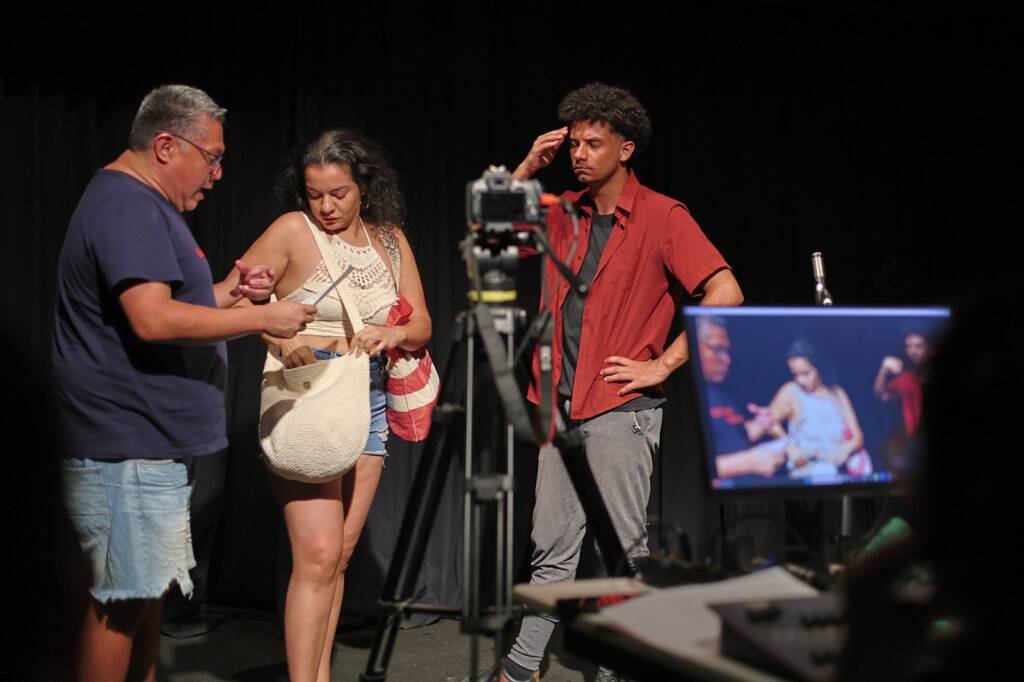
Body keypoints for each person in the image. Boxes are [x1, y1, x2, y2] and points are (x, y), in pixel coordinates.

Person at [52, 84, 315, 682]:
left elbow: (173, 304)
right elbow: (153, 319)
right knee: (118, 606)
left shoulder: (140, 206)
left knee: (140, 601)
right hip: (126, 444)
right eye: (212, 156)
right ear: (166, 145)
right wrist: (262, 317)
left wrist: (230, 293)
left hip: (145, 445)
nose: (218, 174)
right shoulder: (129, 206)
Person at [500, 82, 743, 682]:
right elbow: (494, 240)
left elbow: (726, 293)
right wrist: (528, 167)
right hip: (561, 404)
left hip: (619, 407)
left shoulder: (663, 216)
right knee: (550, 544)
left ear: (625, 149)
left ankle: (618, 670)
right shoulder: (563, 213)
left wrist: (661, 365)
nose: (579, 153)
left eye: (593, 143)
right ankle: (524, 664)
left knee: (620, 551)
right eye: (574, 143)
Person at [230, 129, 431, 682]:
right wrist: (274, 332)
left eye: (338, 192)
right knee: (316, 558)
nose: (326, 205)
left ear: (363, 187)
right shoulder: (292, 231)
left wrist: (391, 336)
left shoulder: (390, 240)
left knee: (339, 556)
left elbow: (421, 323)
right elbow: (233, 299)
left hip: (366, 392)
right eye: (315, 193)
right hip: (309, 391)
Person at [695, 316, 786, 480]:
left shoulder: (722, 394)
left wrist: (759, 425)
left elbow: (730, 437)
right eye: (716, 349)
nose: (726, 359)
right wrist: (749, 462)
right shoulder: (691, 396)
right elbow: (686, 466)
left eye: (726, 350)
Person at [768, 339, 867, 478]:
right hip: (805, 475)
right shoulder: (791, 391)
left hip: (836, 474)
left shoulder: (837, 393)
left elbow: (858, 438)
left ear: (818, 368)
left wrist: (844, 450)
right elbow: (768, 422)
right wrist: (790, 447)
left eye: (806, 373)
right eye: (795, 375)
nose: (800, 380)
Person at [874, 323, 931, 437]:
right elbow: (881, 395)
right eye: (908, 346)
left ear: (930, 348)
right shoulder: (906, 378)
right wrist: (883, 371)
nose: (913, 351)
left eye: (919, 346)